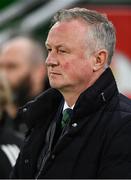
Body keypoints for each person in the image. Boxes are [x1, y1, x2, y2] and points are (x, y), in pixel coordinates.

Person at [10, 8, 131, 179]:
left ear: (98, 60)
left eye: (62, 51)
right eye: (49, 49)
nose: (49, 61)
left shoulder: (125, 124)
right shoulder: (42, 113)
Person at [0, 36, 50, 134]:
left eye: (11, 67)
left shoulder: (58, 114)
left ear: (39, 72)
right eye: (0, 67)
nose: (3, 75)